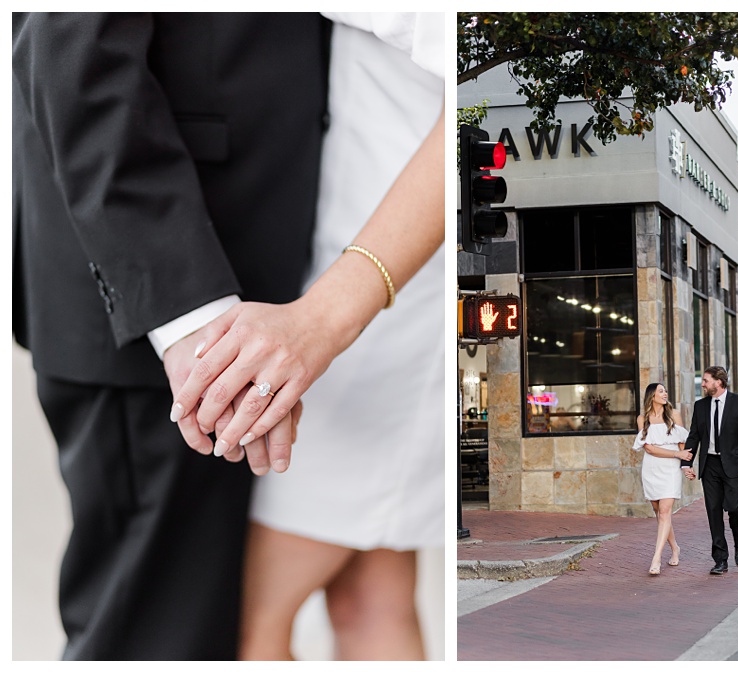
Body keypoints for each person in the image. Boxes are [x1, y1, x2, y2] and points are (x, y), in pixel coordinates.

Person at [12, 13, 329, 659]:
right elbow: (76, 56)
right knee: (154, 637)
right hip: (173, 302)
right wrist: (193, 321)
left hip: (275, 283)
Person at [170, 13, 444, 660]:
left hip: (376, 284)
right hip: (342, 264)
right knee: (369, 592)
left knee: (250, 619)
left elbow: (472, 107)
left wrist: (321, 319)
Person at [681, 366, 738, 575]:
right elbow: (694, 436)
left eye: (706, 380)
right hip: (710, 465)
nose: (703, 384)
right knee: (713, 512)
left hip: (732, 465)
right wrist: (686, 463)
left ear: (719, 382)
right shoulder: (701, 406)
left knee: (734, 508)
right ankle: (720, 559)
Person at [632, 383, 693, 575]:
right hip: (652, 468)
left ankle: (656, 558)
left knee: (666, 512)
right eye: (661, 391)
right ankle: (675, 548)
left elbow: (683, 443)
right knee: (660, 514)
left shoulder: (673, 415)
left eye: (666, 390)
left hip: (671, 470)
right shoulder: (642, 419)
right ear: (652, 396)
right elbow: (648, 448)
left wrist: (686, 466)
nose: (665, 393)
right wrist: (677, 455)